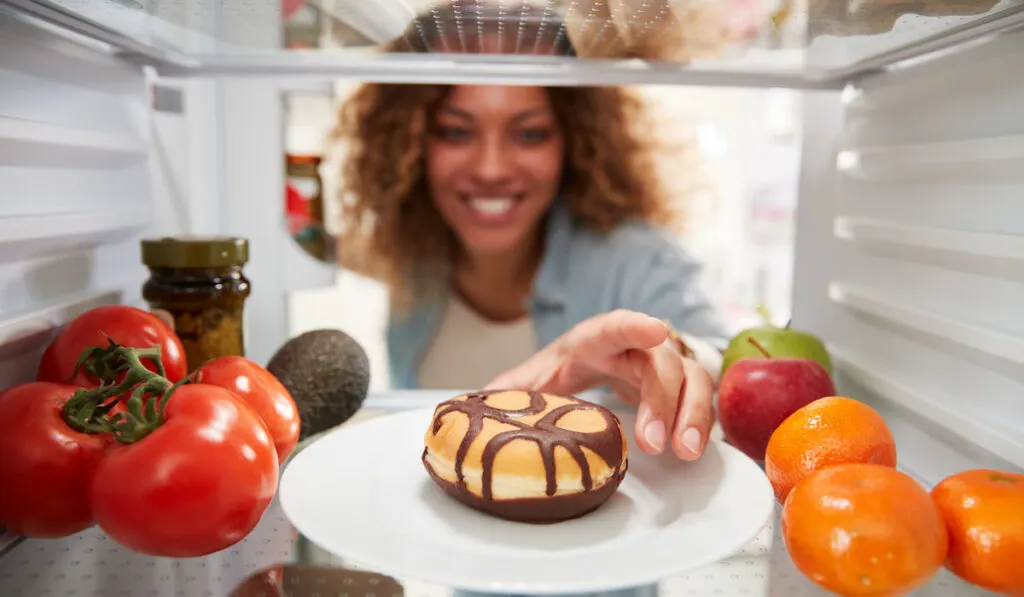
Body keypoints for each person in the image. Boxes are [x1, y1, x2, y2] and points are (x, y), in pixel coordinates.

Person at [330, 3, 732, 463]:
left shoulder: (632, 258)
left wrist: (676, 360)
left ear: (574, 141)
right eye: (456, 132)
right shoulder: (413, 250)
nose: (491, 169)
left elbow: (725, 358)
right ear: (413, 141)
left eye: (530, 134)